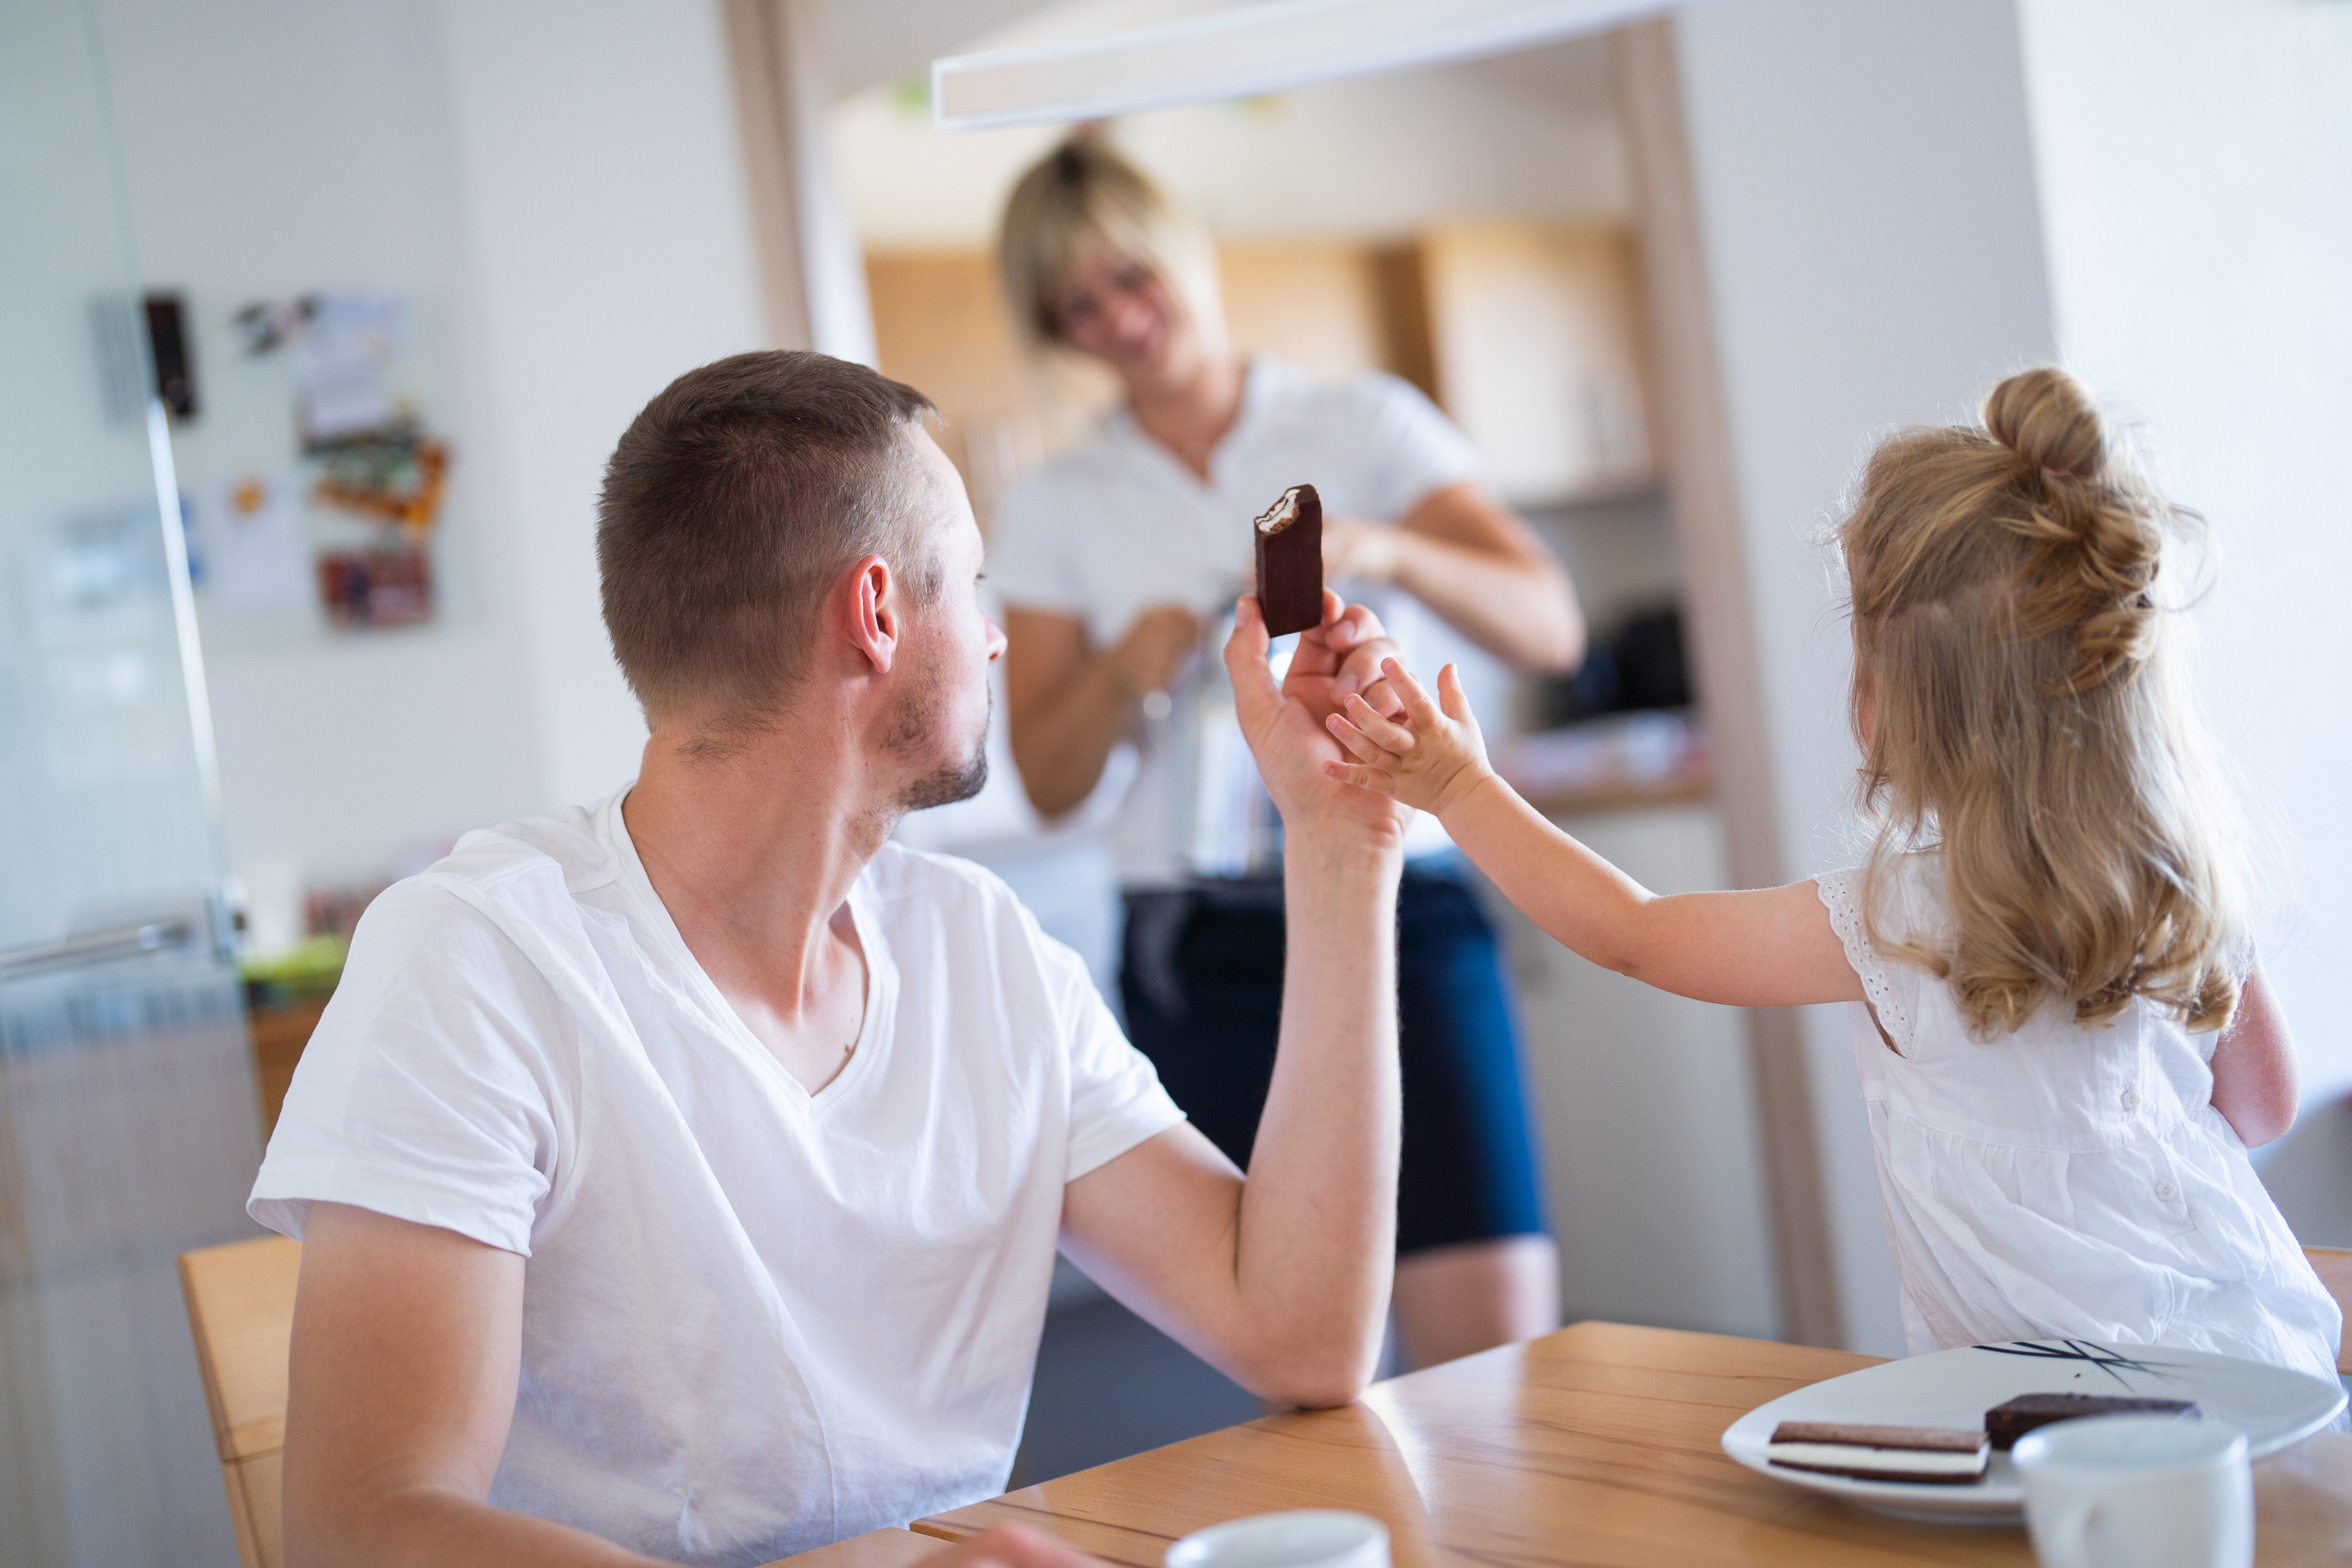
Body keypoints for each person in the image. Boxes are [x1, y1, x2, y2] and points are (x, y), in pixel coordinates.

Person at [250, 351, 1420, 1568]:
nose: (997, 639)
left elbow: (1299, 1333)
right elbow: (359, 1530)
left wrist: (1341, 843)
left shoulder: (985, 952)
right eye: (972, 583)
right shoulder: (475, 961)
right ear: (877, 612)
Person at [1320, 365, 2344, 1382]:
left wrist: (1459, 787)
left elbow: (1638, 934)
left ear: (1899, 705)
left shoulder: (1907, 919)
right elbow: (2260, 1109)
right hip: (2266, 1363)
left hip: (2057, 1412)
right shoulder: (2184, 887)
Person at [989, 138, 1581, 1370]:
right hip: (1200, 948)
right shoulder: (1057, 503)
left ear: (1182, 256)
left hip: (1406, 909)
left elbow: (1549, 625)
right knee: (1304, 1356)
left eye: (1131, 279)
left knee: (1497, 1360)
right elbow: (1046, 783)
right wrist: (1116, 671)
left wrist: (1395, 550)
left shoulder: (1359, 423)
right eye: (1078, 308)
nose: (1118, 323)